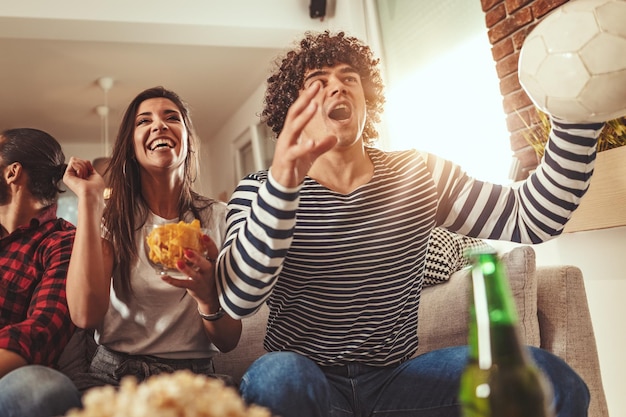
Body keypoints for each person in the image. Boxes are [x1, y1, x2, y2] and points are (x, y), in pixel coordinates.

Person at [216, 31, 606, 417]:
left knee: (552, 380)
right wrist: (284, 182)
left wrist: (579, 116)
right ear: (292, 107)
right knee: (280, 376)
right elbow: (240, 298)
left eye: (349, 78)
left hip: (396, 382)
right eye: (318, 83)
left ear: (366, 99)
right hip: (306, 384)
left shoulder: (418, 173)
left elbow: (533, 217)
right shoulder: (258, 191)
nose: (337, 87)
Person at [63, 86, 241, 392]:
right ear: (131, 146)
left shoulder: (220, 217)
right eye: (143, 121)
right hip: (114, 375)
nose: (159, 124)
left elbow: (228, 341)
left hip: (195, 379)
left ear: (187, 139)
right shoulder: (111, 219)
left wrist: (207, 296)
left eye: (171, 117)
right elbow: (83, 314)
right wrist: (90, 201)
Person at [0, 128, 82, 417]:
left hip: (11, 375)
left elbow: (43, 329)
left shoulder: (62, 240)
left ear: (12, 172)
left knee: (41, 389)